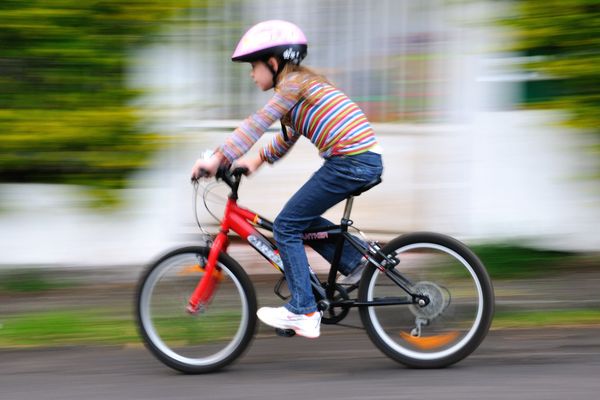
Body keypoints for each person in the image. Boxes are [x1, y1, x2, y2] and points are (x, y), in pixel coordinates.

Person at [191, 20, 383, 338]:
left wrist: (216, 158)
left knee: (285, 226)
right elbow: (285, 138)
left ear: (273, 62)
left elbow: (256, 123)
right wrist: (254, 159)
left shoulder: (292, 85)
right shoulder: (301, 89)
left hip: (350, 162)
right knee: (298, 220)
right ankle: (356, 259)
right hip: (359, 160)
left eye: (254, 66)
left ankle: (304, 311)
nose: (252, 74)